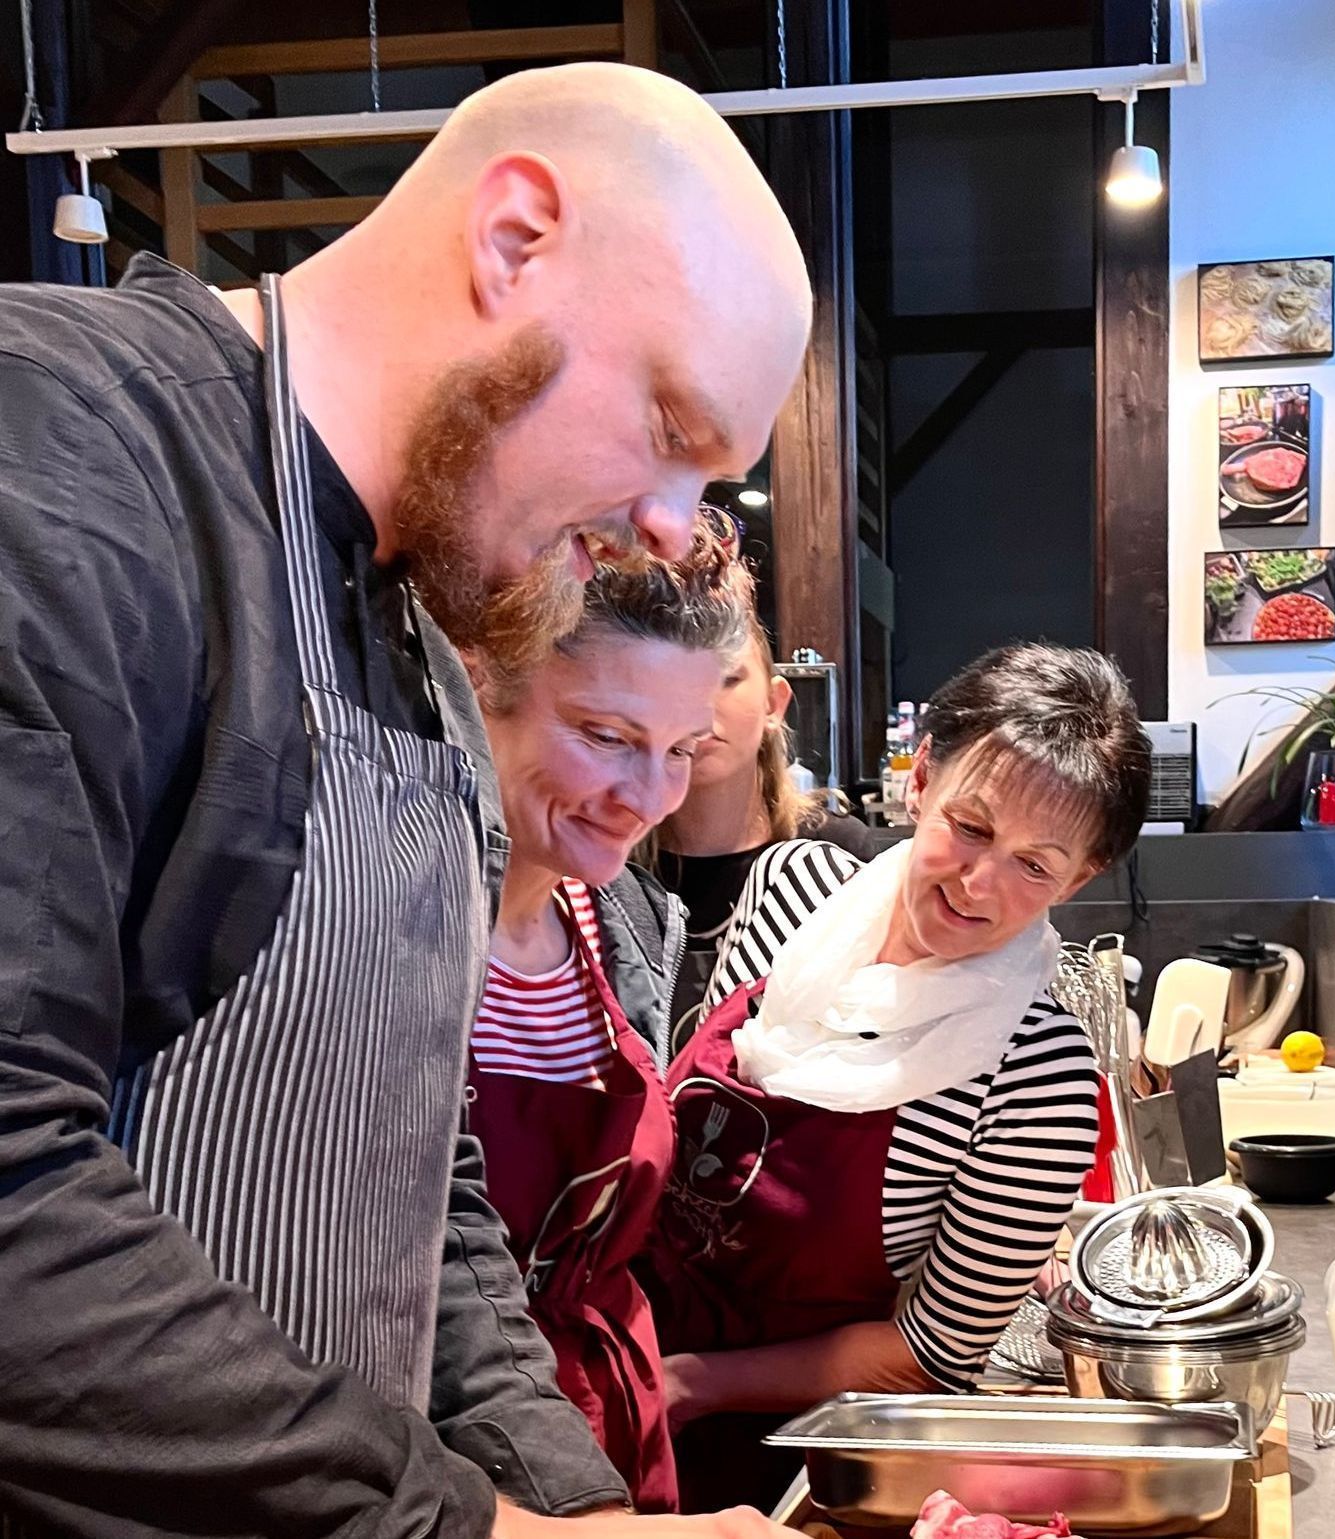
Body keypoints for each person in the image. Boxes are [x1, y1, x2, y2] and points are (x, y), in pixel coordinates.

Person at [0, 58, 810, 1539]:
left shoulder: (429, 633)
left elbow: (416, 1190)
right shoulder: (58, 450)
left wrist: (579, 1512)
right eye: (671, 429)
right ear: (514, 236)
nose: (668, 528)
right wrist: (475, 1529)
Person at [639, 644, 1152, 1511]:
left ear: (1083, 874)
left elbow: (925, 1354)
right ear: (922, 781)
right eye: (972, 826)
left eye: (1035, 863)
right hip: (615, 1355)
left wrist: (690, 1383)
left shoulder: (1037, 1072)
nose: (979, 885)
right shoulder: (790, 891)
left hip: (801, 1461)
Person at [467, 530, 746, 1514]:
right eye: (604, 735)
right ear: (480, 691)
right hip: (441, 1453)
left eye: (681, 751)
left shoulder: (628, 921)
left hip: (609, 1416)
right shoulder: (384, 923)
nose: (647, 798)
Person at [653, 569, 875, 1035]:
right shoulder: (611, 865)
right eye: (677, 682)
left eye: (728, 678)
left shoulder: (837, 855)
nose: (701, 707)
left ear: (774, 704)